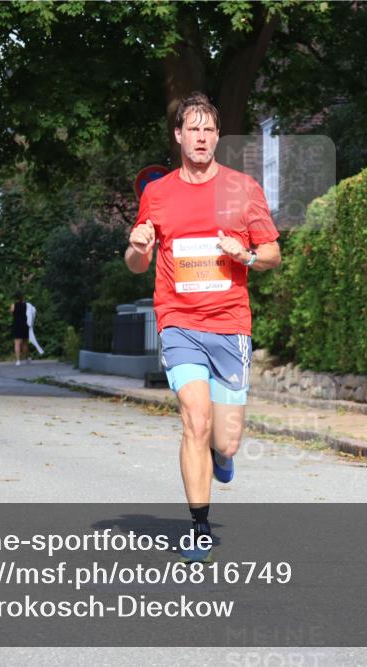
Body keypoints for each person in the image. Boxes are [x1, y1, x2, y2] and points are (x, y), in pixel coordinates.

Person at [125, 92, 281, 562]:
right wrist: (137, 246)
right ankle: (198, 525)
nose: (201, 137)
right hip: (179, 322)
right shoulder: (157, 194)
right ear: (178, 136)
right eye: (192, 129)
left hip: (230, 324)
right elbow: (137, 263)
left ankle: (223, 454)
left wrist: (246, 256)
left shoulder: (243, 189)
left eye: (209, 130)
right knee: (195, 419)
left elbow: (273, 255)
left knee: (225, 438)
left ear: (217, 137)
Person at [10, 292, 29, 366]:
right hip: (24, 324)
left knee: (17, 343)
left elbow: (12, 313)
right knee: (25, 342)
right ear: (22, 297)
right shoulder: (26, 305)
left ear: (15, 298)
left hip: (16, 324)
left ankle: (18, 361)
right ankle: (26, 359)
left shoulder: (13, 305)